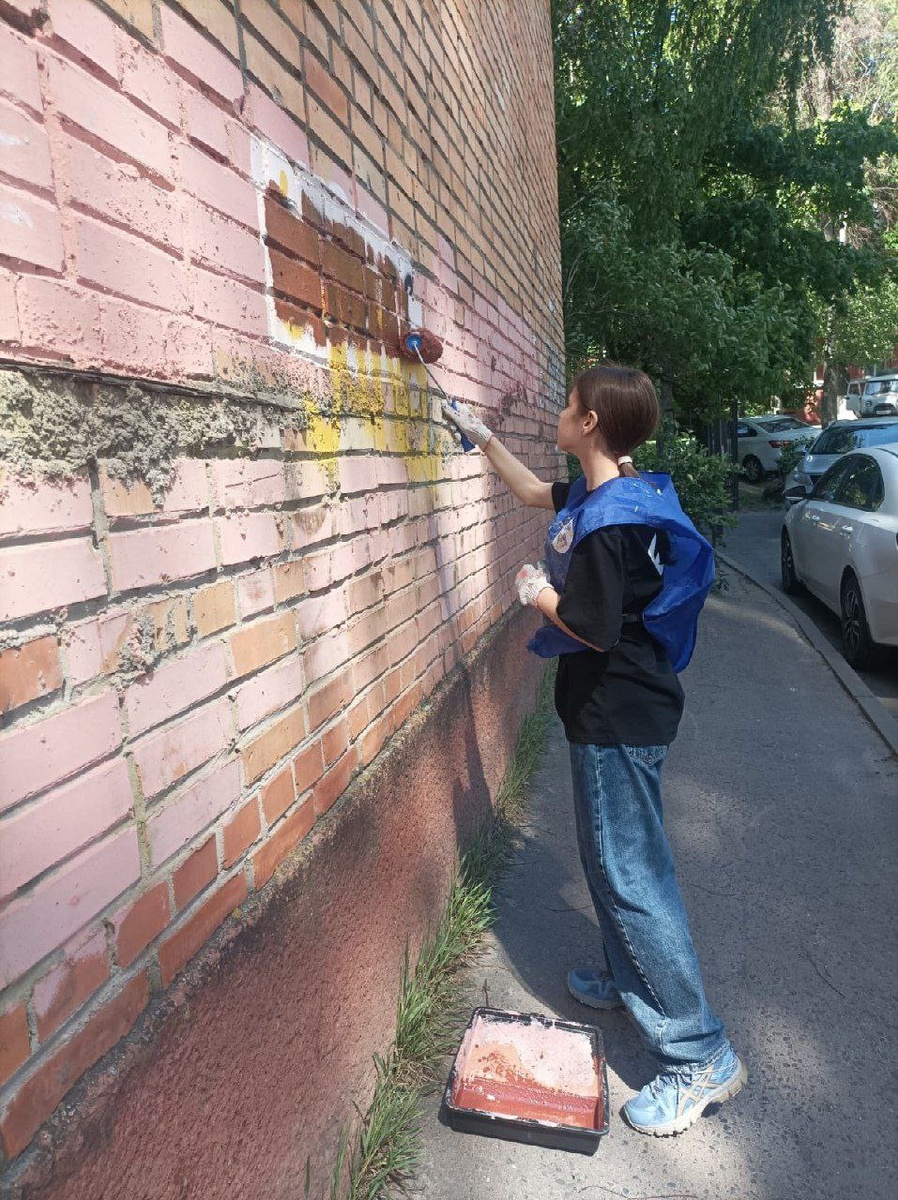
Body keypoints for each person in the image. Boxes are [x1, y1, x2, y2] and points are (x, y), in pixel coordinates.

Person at [442, 363, 746, 1137]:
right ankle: (629, 974)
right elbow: (528, 492)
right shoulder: (609, 493)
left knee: (631, 874)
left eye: (570, 403)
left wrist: (533, 590)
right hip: (618, 709)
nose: (559, 408)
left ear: (590, 424)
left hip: (619, 716)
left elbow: (593, 626)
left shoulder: (611, 524)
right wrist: (481, 438)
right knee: (611, 860)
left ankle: (699, 1053)